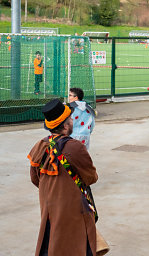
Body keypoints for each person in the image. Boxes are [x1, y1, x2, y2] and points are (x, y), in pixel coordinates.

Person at [27, 99, 98, 255]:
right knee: (77, 245)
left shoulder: (39, 145)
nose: (73, 120)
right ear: (66, 126)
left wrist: (52, 189)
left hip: (48, 208)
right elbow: (91, 177)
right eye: (71, 118)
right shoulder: (74, 147)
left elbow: (34, 178)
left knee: (51, 241)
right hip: (73, 209)